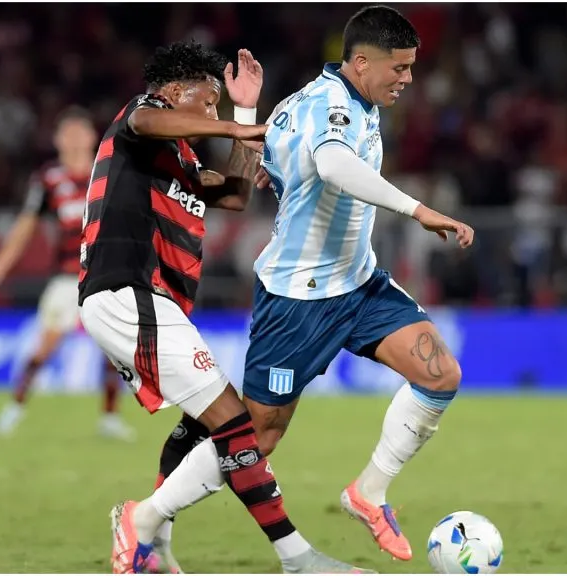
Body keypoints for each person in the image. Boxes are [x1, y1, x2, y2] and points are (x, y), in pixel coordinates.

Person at [152, 5, 475, 565]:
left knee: (439, 373)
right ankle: (145, 517)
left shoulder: (332, 102)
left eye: (411, 67)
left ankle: (367, 494)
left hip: (358, 283)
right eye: (399, 68)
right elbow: (331, 165)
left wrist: (255, 121)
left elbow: (272, 159)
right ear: (362, 61)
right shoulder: (329, 108)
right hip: (298, 299)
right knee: (255, 438)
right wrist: (417, 210)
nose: (408, 78)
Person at [76, 41, 370, 575]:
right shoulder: (140, 119)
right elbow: (144, 121)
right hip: (127, 293)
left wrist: (244, 113)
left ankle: (151, 544)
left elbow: (234, 195)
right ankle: (296, 558)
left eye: (216, 106)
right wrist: (232, 130)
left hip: (149, 302)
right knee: (236, 425)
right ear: (171, 92)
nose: (211, 114)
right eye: (205, 102)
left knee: (201, 430)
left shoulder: (180, 158)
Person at [0, 107, 135, 441]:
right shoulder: (49, 179)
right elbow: (25, 226)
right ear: (57, 140)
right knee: (44, 348)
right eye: (69, 133)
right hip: (66, 278)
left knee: (113, 349)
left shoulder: (112, 170)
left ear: (93, 137)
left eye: (81, 132)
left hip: (105, 277)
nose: (76, 139)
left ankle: (109, 418)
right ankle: (15, 407)